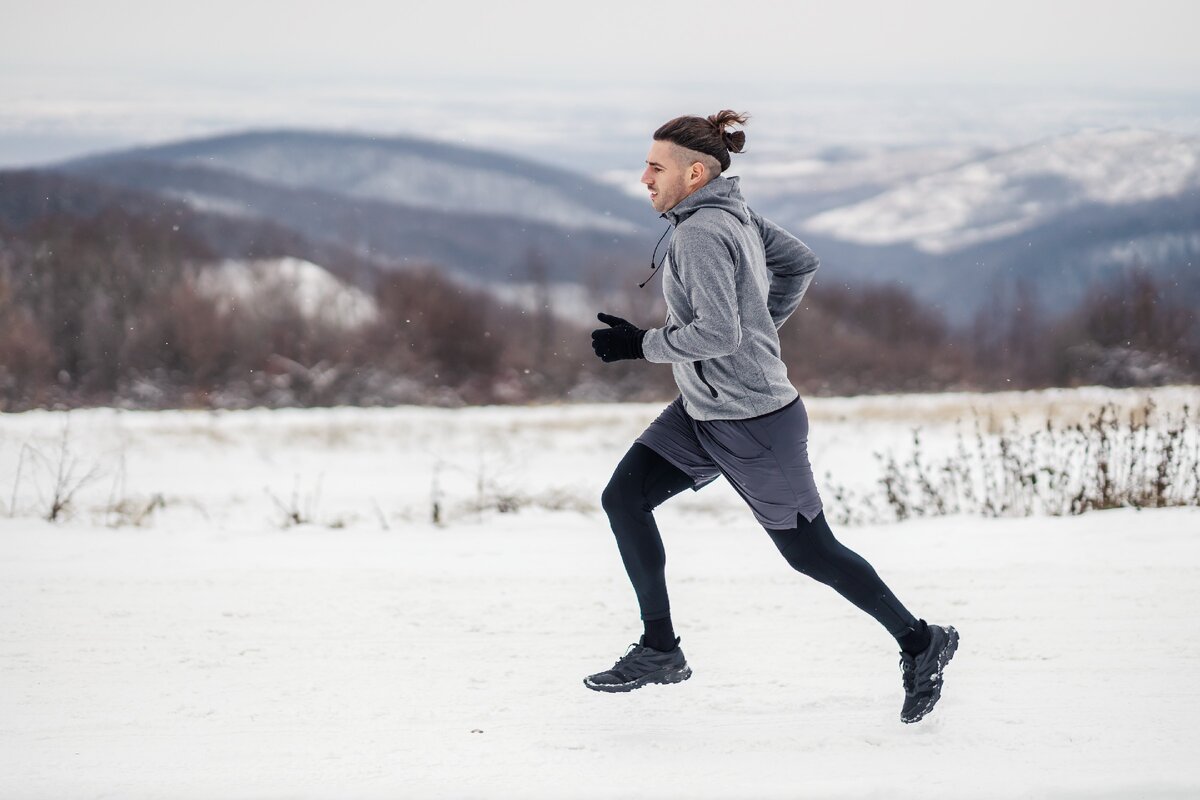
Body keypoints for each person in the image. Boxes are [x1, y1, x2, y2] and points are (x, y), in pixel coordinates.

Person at [586, 110, 959, 724]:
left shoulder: (702, 233)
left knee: (811, 553)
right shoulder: (733, 212)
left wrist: (641, 345)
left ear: (696, 172)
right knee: (623, 499)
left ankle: (921, 641)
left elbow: (718, 331)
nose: (644, 178)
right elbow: (800, 263)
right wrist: (762, 328)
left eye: (656, 167)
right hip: (704, 410)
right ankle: (660, 649)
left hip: (754, 422)